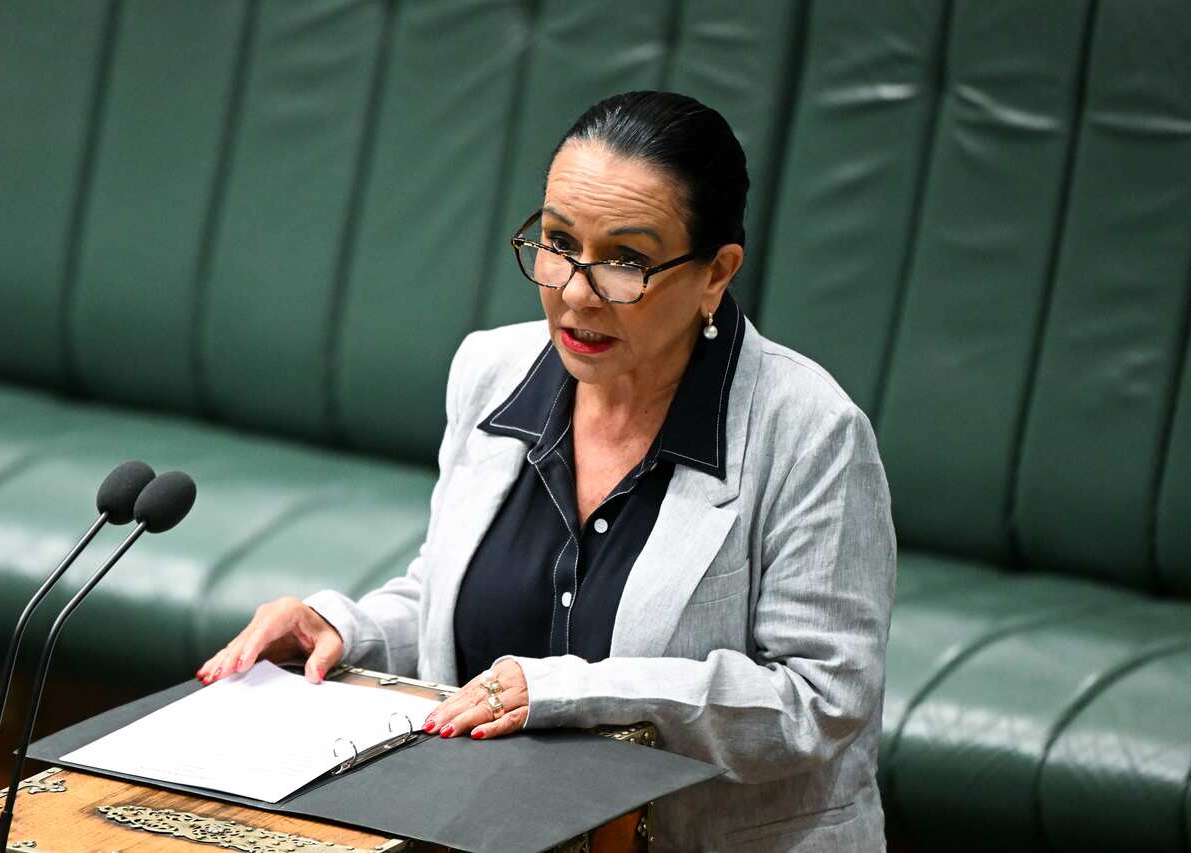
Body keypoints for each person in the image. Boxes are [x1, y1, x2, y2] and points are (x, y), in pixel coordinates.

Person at [198, 90, 896, 852]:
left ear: (715, 274)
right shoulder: (490, 372)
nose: (574, 292)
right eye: (559, 242)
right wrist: (342, 629)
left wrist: (571, 690)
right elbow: (454, 603)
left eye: (626, 261)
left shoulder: (811, 433)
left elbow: (819, 702)